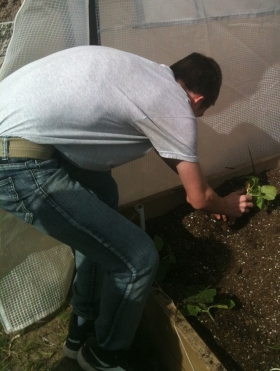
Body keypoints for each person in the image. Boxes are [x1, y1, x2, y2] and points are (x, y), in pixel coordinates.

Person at [0, 46, 252, 371]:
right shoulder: (175, 105)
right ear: (199, 101)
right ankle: (104, 356)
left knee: (102, 194)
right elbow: (198, 197)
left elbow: (175, 159)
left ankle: (82, 330)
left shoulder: (149, 78)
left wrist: (209, 197)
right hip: (16, 161)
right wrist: (226, 205)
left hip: (27, 139)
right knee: (137, 259)